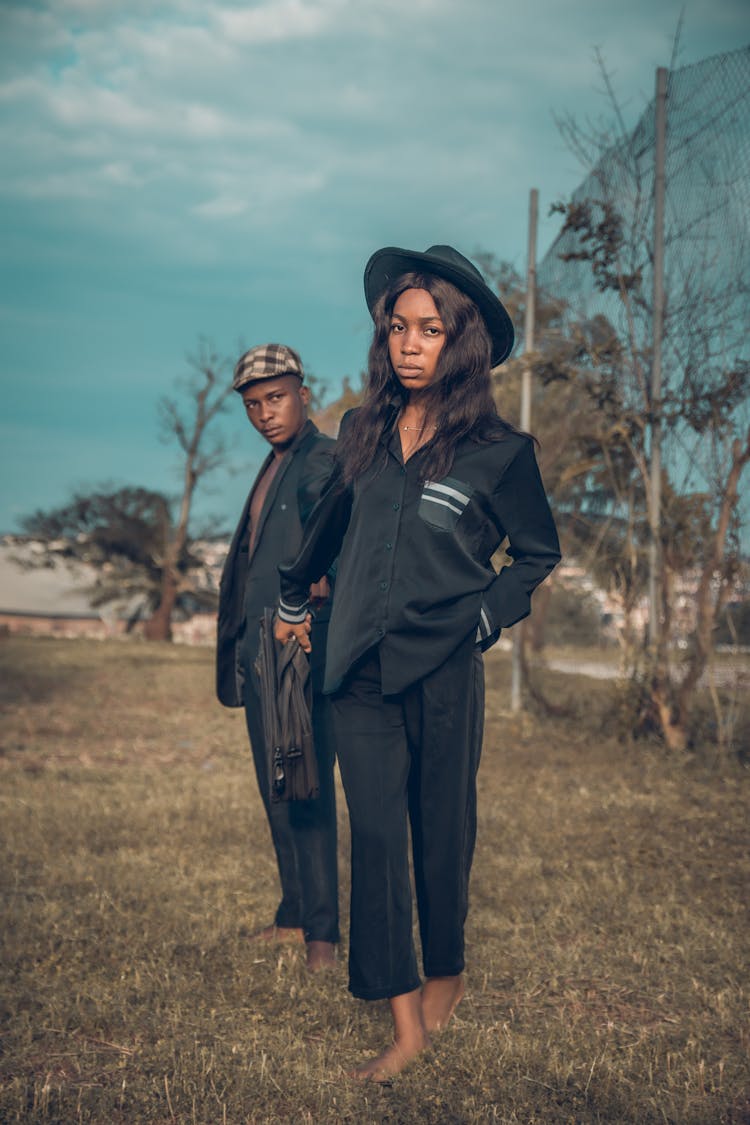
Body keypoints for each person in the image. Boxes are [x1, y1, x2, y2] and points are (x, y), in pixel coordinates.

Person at [275, 245, 561, 1077]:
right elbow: (328, 526)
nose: (409, 343)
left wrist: (482, 618)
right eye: (398, 327)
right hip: (356, 666)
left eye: (429, 329)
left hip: (443, 668)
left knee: (442, 833)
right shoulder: (360, 434)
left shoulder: (502, 453)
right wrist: (295, 597)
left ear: (460, 342)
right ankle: (403, 1025)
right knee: (376, 832)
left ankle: (450, 969)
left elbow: (537, 555)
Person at [217, 343, 339, 971]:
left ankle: (322, 937)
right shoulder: (275, 465)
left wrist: (318, 593)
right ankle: (294, 916)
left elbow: (336, 543)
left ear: (303, 394)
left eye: (277, 398)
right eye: (254, 404)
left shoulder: (321, 461)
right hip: (257, 648)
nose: (266, 413)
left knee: (304, 792)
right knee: (278, 791)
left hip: (294, 647)